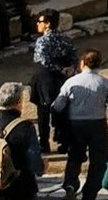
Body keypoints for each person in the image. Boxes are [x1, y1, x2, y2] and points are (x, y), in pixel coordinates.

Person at [55, 49, 108, 200]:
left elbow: (58, 105)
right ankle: (89, 195)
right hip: (97, 125)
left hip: (75, 125)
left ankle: (70, 184)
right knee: (99, 160)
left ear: (82, 63)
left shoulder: (72, 82)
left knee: (74, 156)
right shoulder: (104, 83)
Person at [29, 11, 79, 151]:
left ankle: (44, 142)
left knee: (43, 113)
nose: (38, 24)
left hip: (46, 79)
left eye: (41, 22)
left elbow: (42, 60)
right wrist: (69, 68)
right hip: (62, 79)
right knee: (62, 109)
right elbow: (74, 56)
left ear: (48, 24)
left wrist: (60, 69)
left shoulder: (42, 41)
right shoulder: (65, 39)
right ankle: (64, 142)